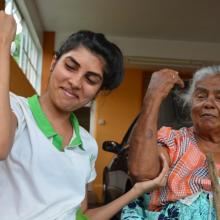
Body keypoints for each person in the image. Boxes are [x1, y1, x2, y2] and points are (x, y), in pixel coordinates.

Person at [0, 11, 169, 220]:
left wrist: (137, 190)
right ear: (54, 63)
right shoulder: (15, 108)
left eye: (91, 79)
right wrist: (3, 43)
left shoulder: (87, 145)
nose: (75, 82)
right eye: (70, 66)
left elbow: (82, 215)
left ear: (98, 92)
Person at [121, 67, 220, 219]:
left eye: (219, 98)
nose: (208, 103)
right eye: (201, 96)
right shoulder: (175, 142)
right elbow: (141, 173)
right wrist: (153, 97)